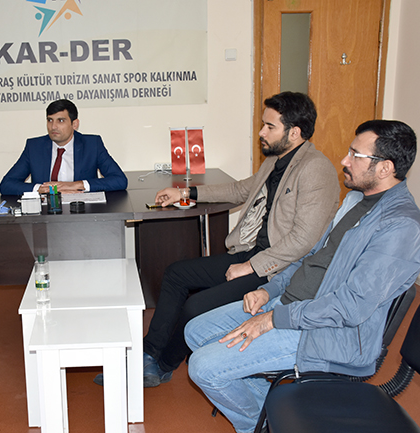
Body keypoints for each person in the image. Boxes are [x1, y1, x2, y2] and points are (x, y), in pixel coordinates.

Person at [185, 120, 420, 433]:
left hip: (326, 333)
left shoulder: (402, 227)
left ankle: (253, 425)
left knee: (203, 368)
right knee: (195, 331)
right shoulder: (356, 200)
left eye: (355, 155)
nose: (344, 160)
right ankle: (267, 414)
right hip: (290, 304)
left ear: (385, 168)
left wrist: (273, 319)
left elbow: (349, 307)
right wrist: (270, 289)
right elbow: (310, 258)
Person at [127, 92, 341, 388]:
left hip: (277, 268)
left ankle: (163, 366)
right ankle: (150, 352)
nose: (261, 132)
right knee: (176, 274)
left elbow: (303, 240)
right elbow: (241, 190)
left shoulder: (316, 169)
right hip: (252, 253)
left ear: (295, 132)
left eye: (270, 127)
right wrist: (185, 192)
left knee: (194, 307)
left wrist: (251, 266)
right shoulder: (276, 160)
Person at [0, 99, 128, 195]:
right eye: (50, 120)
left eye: (60, 121)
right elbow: (6, 184)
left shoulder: (92, 145)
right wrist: (42, 189)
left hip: (83, 212)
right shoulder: (34, 147)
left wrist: (77, 185)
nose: (53, 126)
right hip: (46, 214)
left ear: (74, 124)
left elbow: (119, 180)